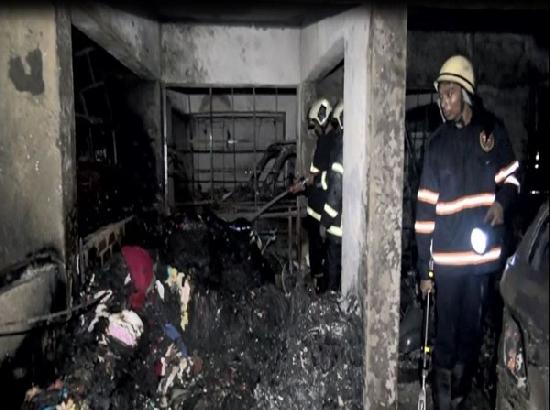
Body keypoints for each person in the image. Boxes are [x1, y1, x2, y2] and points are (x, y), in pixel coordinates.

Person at [414, 55, 519, 409]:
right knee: (445, 336)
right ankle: (442, 401)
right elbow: (425, 211)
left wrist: (502, 203)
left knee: (471, 336)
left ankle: (459, 396)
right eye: (440, 95)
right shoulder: (437, 144)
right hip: (447, 263)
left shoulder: (491, 133)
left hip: (480, 261)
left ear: (466, 94)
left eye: (450, 94)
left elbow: (513, 178)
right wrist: (424, 270)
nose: (443, 102)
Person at [290, 97, 332, 292]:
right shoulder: (326, 142)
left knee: (319, 256)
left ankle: (320, 290)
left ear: (321, 120)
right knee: (317, 254)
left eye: (314, 124)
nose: (314, 129)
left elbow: (319, 178)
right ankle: (317, 282)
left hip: (320, 212)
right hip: (317, 210)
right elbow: (314, 176)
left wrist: (303, 184)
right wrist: (303, 182)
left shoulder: (328, 142)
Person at [320, 101, 343, 292]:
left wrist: (324, 222)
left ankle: (331, 302)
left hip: (336, 228)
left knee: (332, 272)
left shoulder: (341, 150)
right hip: (347, 227)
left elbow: (336, 191)